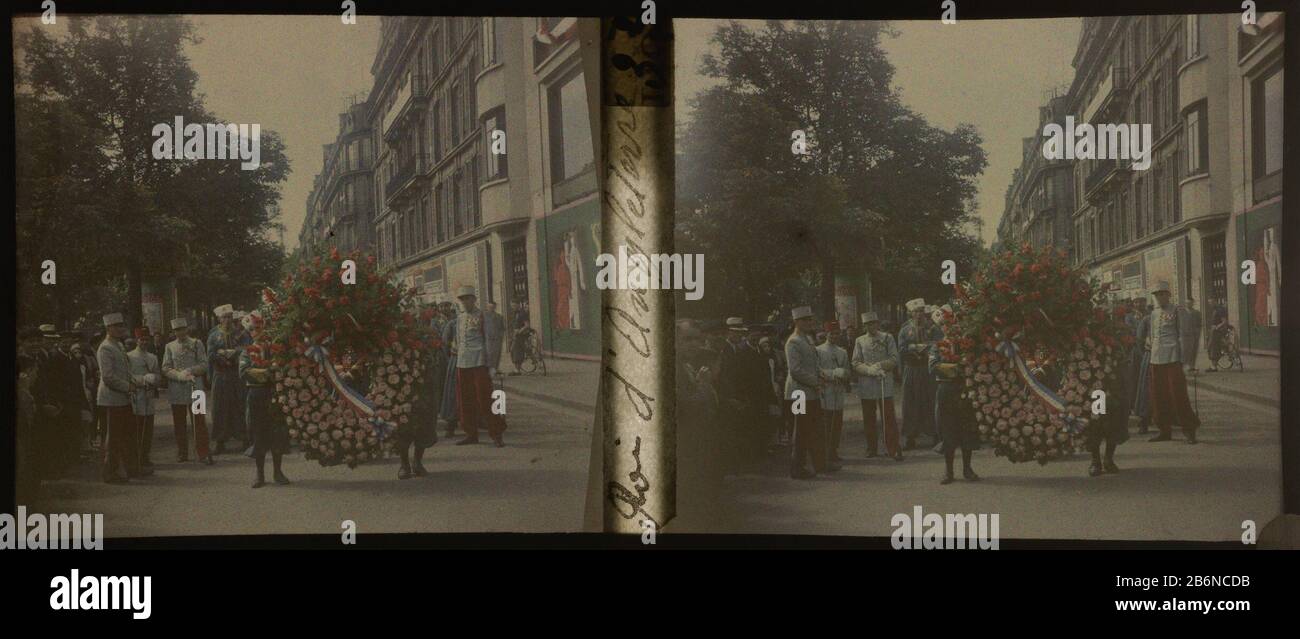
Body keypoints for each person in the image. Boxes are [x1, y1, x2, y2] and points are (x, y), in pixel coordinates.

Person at [446, 286, 506, 446]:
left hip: (480, 361)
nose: (464, 302)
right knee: (465, 400)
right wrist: (455, 348)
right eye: (462, 299)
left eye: (467, 298)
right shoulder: (459, 318)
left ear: (474, 299)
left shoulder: (484, 316)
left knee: (485, 398)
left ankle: (496, 433)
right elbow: (458, 339)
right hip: (462, 362)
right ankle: (471, 433)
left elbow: (492, 341)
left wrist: (493, 365)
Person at [1144, 281, 1201, 444]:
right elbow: (1153, 334)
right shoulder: (1153, 314)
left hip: (1173, 357)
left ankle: (1189, 430)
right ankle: (1164, 430)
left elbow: (1185, 335)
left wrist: (1187, 361)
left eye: (1162, 294)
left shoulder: (1178, 310)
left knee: (1178, 394)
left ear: (1168, 295)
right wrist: (1148, 341)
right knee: (1158, 395)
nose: (1159, 297)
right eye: (1156, 295)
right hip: (1156, 358)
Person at [97, 313, 151, 483]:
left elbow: (125, 372)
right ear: (108, 328)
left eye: (121, 325)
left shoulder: (118, 345)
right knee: (114, 437)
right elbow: (108, 377)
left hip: (123, 398)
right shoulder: (105, 347)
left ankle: (131, 469)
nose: (120, 329)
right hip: (112, 398)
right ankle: (110, 473)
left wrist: (138, 381)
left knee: (128, 434)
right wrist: (129, 387)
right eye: (116, 326)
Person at [930, 325, 979, 485]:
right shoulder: (937, 346)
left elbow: (974, 363)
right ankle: (948, 471)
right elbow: (933, 366)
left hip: (965, 389)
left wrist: (964, 368)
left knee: (967, 429)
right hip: (946, 389)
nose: (952, 331)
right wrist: (957, 368)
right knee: (947, 430)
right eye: (949, 328)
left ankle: (967, 468)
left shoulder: (968, 345)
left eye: (955, 327)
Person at [162, 317, 212, 464]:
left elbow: (204, 364)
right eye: (177, 330)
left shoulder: (197, 343)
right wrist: (178, 375)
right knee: (179, 422)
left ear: (187, 329)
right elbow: (165, 367)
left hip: (196, 387)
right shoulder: (169, 346)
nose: (180, 333)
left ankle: (203, 452)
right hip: (177, 389)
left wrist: (190, 370)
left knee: (200, 421)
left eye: (182, 329)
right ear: (174, 332)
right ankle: (182, 452)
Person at [852, 312, 902, 460]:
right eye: (868, 324)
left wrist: (880, 365)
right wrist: (868, 370)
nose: (871, 326)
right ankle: (871, 448)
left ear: (878, 324)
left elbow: (894, 359)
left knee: (888, 417)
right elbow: (855, 362)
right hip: (867, 383)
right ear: (864, 326)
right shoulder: (859, 341)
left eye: (873, 323)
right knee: (869, 418)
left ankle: (893, 448)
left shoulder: (887, 338)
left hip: (883, 381)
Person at [239, 339, 289, 488]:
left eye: (262, 327)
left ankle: (278, 472)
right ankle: (259, 474)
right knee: (258, 434)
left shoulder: (276, 349)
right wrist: (267, 372)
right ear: (251, 332)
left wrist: (276, 372)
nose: (259, 332)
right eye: (255, 328)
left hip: (275, 393)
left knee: (277, 432)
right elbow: (243, 372)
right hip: (256, 393)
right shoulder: (247, 351)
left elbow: (284, 367)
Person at [785, 306, 826, 479]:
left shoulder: (807, 339)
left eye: (810, 319)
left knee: (815, 428)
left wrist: (820, 375)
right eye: (805, 320)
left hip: (810, 391)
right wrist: (815, 381)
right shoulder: (793, 341)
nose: (809, 322)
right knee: (800, 429)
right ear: (796, 322)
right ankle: (797, 468)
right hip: (798, 393)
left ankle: (820, 464)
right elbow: (795, 370)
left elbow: (813, 363)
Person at [898, 298, 940, 449]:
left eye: (921, 311)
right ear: (911, 313)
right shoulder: (905, 329)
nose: (919, 314)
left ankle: (935, 434)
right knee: (910, 401)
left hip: (928, 369)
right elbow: (901, 349)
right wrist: (913, 348)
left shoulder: (933, 328)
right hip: (912, 368)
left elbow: (939, 344)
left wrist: (927, 348)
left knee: (931, 400)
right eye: (916, 311)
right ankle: (910, 436)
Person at [206, 304, 245, 454]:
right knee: (219, 407)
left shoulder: (239, 333)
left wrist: (234, 353)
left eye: (229, 317)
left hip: (236, 375)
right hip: (220, 375)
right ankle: (220, 441)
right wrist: (221, 356)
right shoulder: (213, 334)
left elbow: (247, 348)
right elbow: (209, 354)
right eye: (224, 317)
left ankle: (244, 437)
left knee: (239, 404)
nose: (227, 320)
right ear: (219, 318)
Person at [126, 328, 161, 469]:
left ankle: (145, 456)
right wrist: (143, 380)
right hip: (136, 395)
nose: (144, 342)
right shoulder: (129, 356)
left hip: (149, 396)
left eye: (147, 339)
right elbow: (128, 376)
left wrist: (154, 380)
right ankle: (136, 458)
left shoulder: (153, 357)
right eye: (142, 339)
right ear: (136, 340)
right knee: (137, 428)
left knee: (148, 430)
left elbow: (158, 376)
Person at [815, 322, 849, 466]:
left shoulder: (842, 351)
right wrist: (832, 374)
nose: (834, 336)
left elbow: (847, 370)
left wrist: (843, 374)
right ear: (826, 334)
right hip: (825, 390)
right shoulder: (818, 350)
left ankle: (834, 450)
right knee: (826, 422)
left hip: (838, 390)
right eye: (831, 333)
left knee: (837, 423)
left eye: (837, 333)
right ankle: (825, 452)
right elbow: (817, 370)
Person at [484, 301, 506, 377]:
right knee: (489, 354)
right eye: (489, 307)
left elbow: (502, 328)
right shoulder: (484, 316)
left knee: (497, 354)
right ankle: (489, 370)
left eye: (492, 307)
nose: (491, 309)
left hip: (497, 339)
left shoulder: (499, 317)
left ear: (495, 307)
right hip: (487, 339)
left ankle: (495, 369)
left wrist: (501, 337)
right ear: (487, 307)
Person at [1206, 304, 1231, 372]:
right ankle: (1214, 365)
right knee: (1210, 347)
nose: (1209, 302)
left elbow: (1224, 321)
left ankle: (1214, 367)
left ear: (1214, 300)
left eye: (1211, 300)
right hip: (1214, 331)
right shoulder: (1215, 310)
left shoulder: (1220, 310)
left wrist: (1217, 327)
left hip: (1217, 332)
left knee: (1213, 348)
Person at [1182, 297, 1203, 373]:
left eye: (1190, 303)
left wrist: (1198, 333)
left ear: (1193, 303)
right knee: (1185, 351)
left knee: (1194, 350)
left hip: (1194, 335)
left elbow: (1200, 324)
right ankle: (1183, 367)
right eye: (1187, 303)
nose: (1188, 304)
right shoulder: (1182, 313)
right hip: (1185, 336)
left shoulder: (1197, 313)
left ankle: (1192, 366)